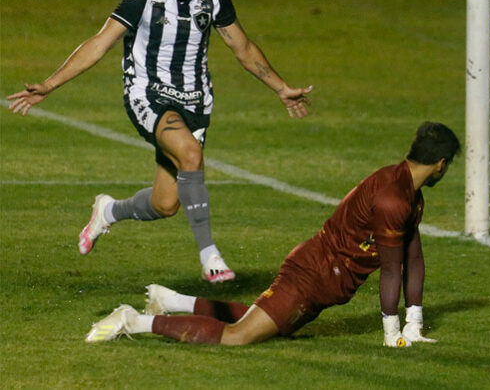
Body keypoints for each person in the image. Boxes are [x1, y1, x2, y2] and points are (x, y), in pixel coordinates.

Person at [6, 0, 313, 283]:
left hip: (194, 101)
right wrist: (50, 84)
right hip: (148, 93)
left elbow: (243, 48)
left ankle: (108, 211)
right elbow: (99, 43)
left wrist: (281, 88)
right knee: (191, 154)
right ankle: (209, 254)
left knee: (166, 204)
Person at [84, 122, 460, 347]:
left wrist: (414, 324)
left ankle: (172, 300)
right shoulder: (394, 199)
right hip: (313, 275)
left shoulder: (409, 194)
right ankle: (134, 321)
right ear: (441, 164)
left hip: (323, 280)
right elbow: (392, 269)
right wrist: (392, 332)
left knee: (263, 325)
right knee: (238, 336)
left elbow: (413, 259)